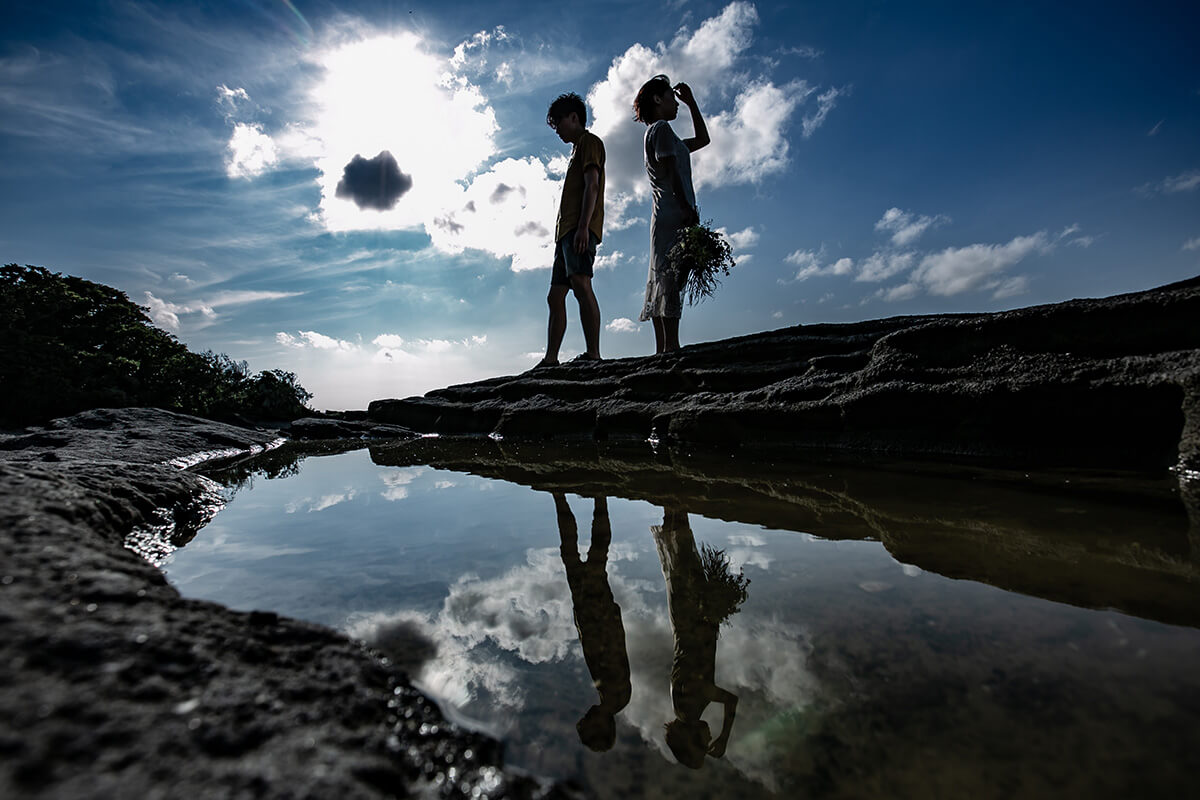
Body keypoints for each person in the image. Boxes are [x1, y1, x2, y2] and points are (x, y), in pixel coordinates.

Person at [652, 504, 739, 769]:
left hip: (692, 616)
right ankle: (673, 498)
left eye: (704, 742)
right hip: (688, 619)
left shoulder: (689, 708)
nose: (709, 737)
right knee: (681, 551)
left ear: (691, 739)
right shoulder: (684, 708)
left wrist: (725, 736)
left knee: (684, 556)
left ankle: (674, 493)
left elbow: (730, 699)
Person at [633, 75, 710, 354]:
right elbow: (673, 172)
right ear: (657, 100)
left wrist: (692, 104)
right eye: (672, 98)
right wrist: (687, 209)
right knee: (669, 276)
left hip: (665, 213)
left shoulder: (667, 135)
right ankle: (671, 346)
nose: (675, 104)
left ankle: (663, 348)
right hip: (673, 212)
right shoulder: (661, 128)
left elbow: (703, 139)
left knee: (665, 275)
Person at [554, 493, 631, 751]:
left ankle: (588, 499)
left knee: (584, 555)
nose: (584, 717)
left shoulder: (613, 698)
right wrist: (604, 613)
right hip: (595, 612)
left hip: (593, 613)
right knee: (588, 555)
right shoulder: (615, 696)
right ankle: (589, 498)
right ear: (601, 726)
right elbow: (612, 647)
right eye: (588, 723)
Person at [537, 92, 606, 367]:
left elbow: (593, 185)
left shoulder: (590, 142)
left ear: (574, 117)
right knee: (555, 295)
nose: (558, 131)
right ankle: (550, 358)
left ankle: (593, 354)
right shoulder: (576, 150)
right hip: (565, 232)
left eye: (559, 123)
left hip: (580, 229)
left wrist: (583, 227)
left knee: (581, 283)